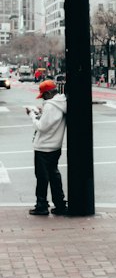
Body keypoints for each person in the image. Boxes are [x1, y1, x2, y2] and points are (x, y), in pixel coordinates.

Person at [26, 78, 68, 216]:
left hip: (44, 147)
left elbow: (42, 127)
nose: (43, 98)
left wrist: (32, 115)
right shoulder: (60, 103)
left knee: (42, 178)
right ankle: (59, 203)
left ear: (49, 93)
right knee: (54, 175)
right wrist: (41, 113)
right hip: (55, 146)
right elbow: (50, 122)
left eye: (44, 95)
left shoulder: (51, 106)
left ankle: (42, 205)